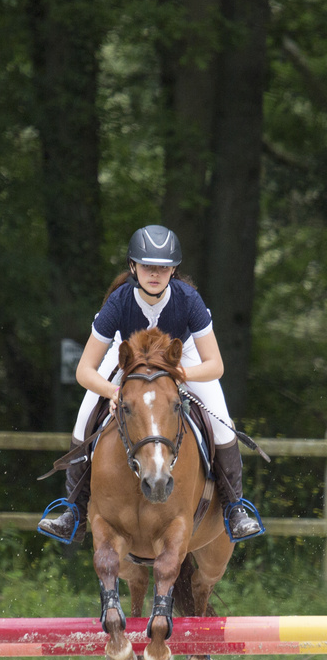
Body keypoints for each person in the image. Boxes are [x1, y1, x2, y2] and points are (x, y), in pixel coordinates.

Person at [38, 224, 263, 543]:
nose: (154, 274)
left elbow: (215, 365)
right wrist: (112, 391)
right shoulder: (118, 303)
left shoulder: (188, 300)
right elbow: (84, 370)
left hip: (179, 357)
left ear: (173, 270)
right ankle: (74, 510)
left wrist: (181, 375)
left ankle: (234, 509)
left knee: (223, 421)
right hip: (126, 357)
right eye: (147, 266)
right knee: (84, 415)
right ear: (133, 267)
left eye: (162, 268)